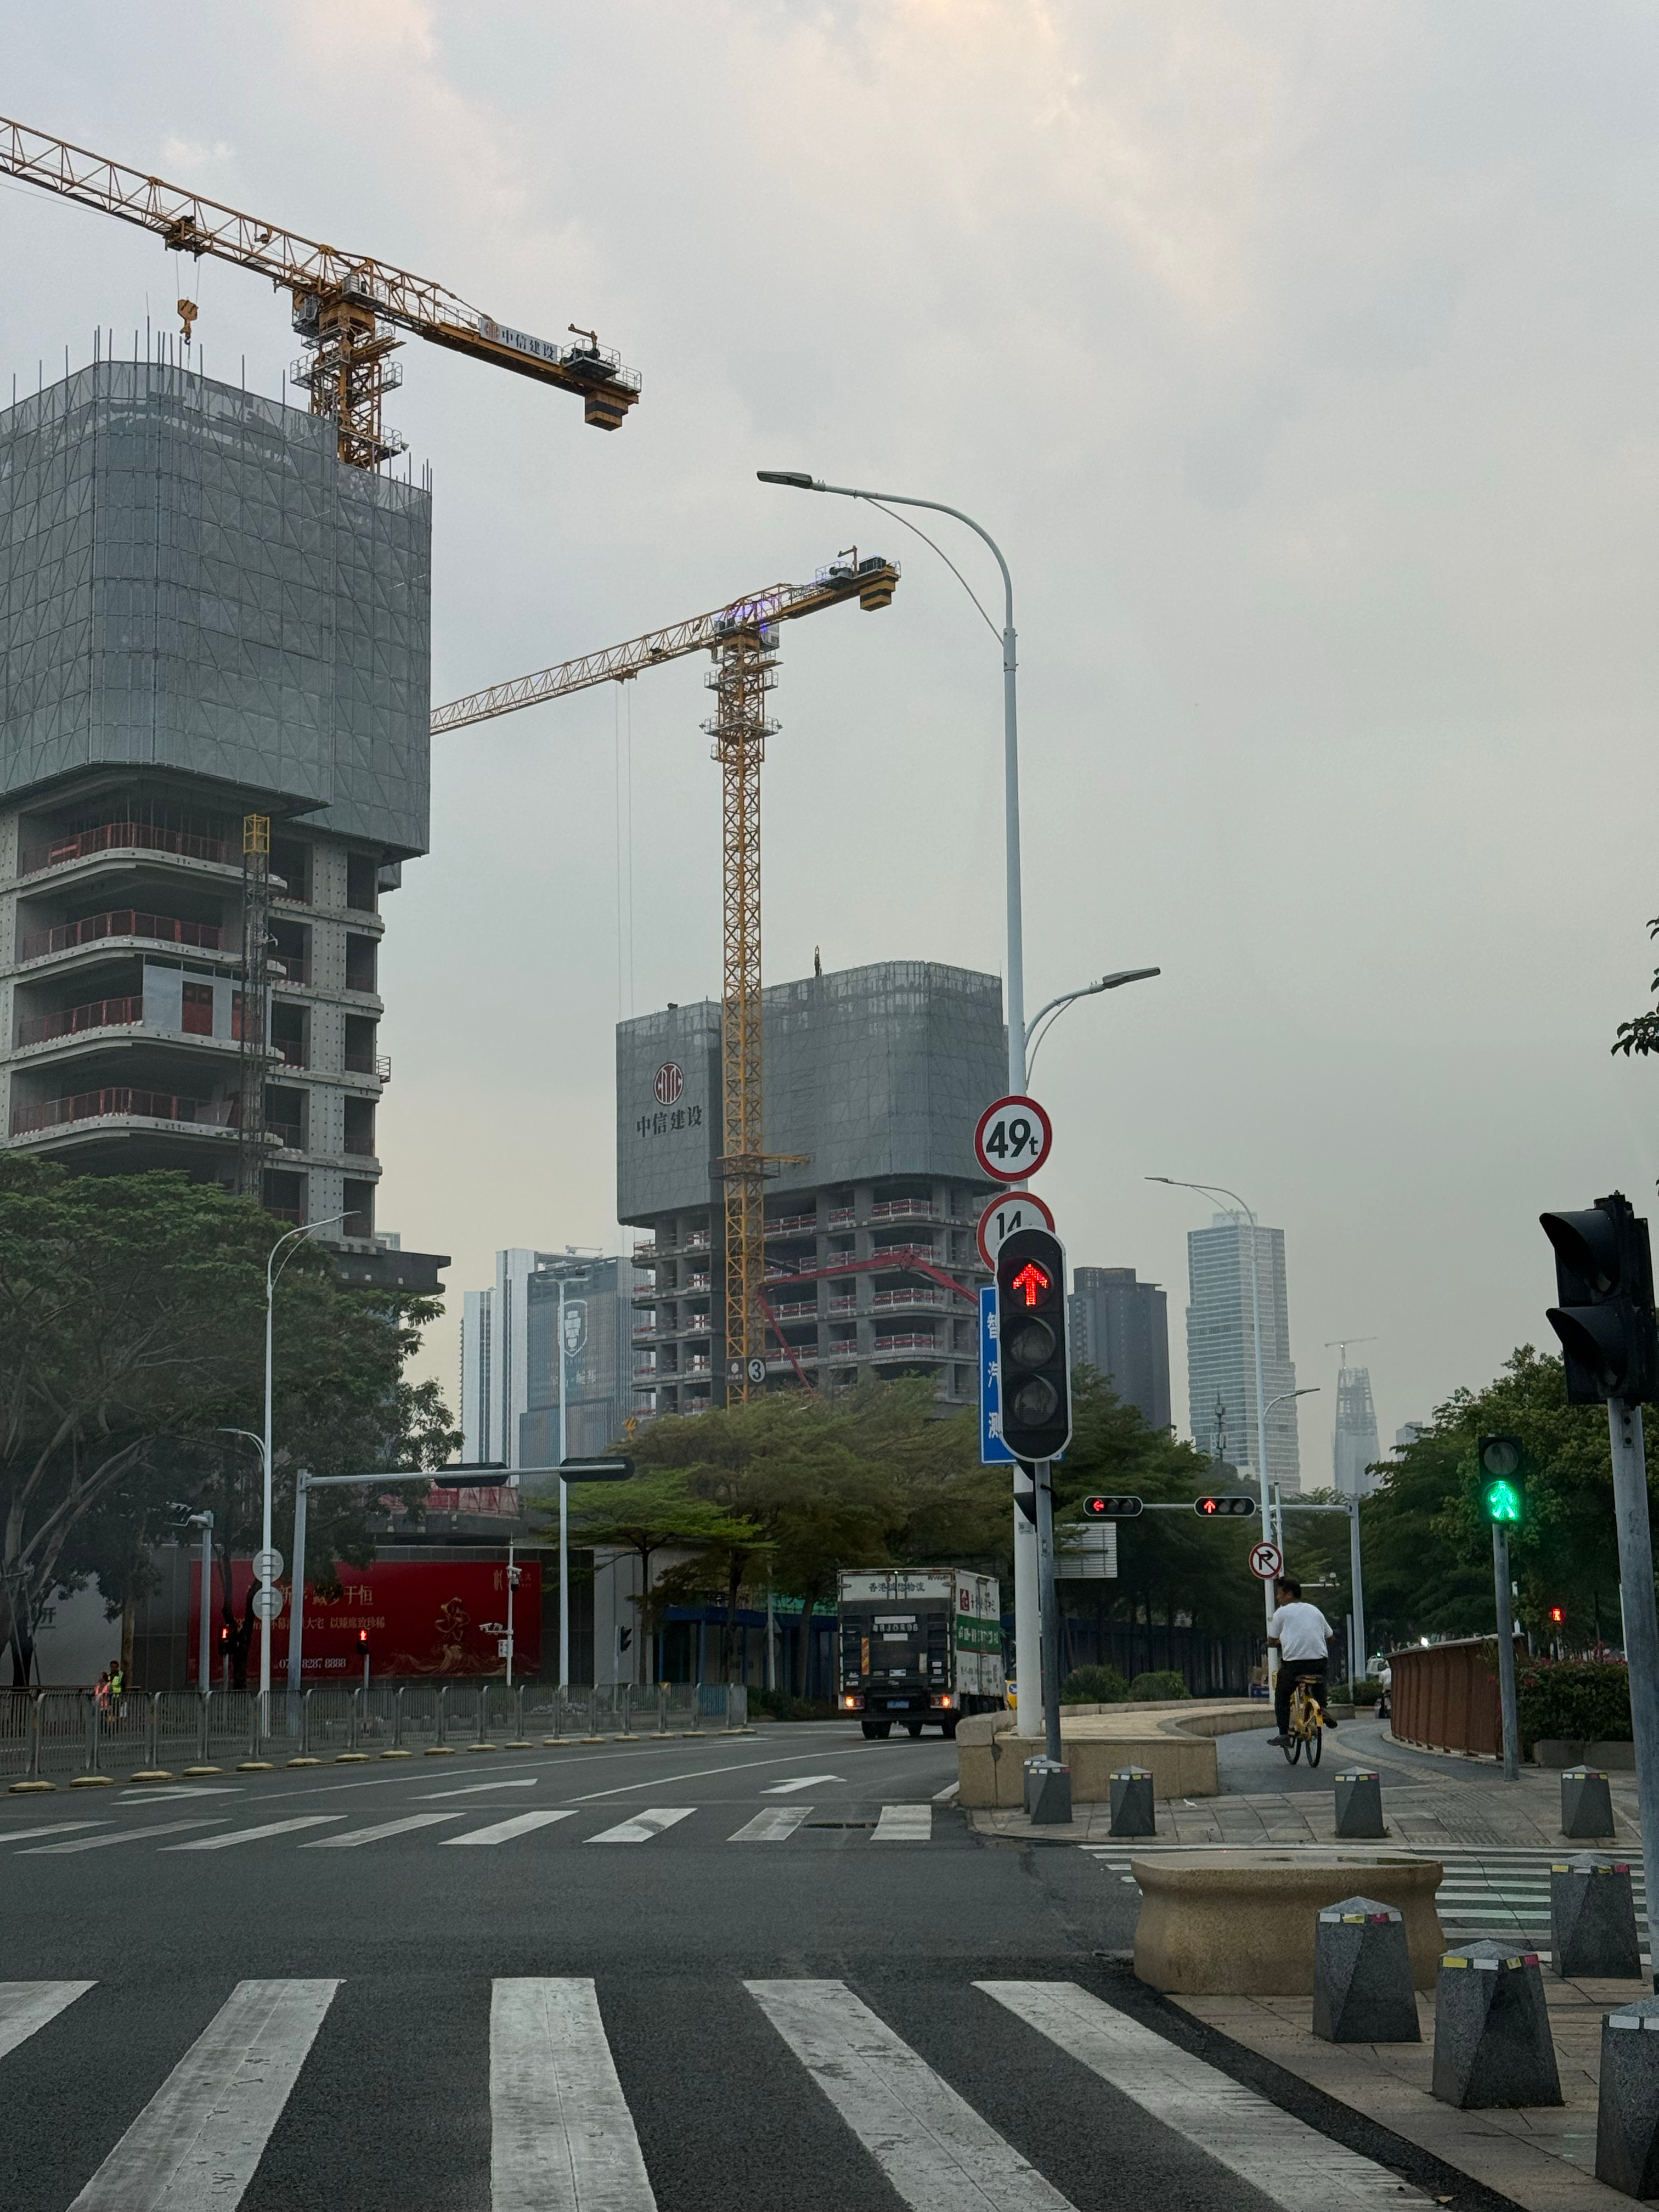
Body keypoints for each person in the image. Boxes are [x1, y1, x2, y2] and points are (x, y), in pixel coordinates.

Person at [1266, 1576, 1336, 1745]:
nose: (1277, 1597)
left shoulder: (1281, 1613)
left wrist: (1281, 1642)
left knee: (1282, 1695)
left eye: (1279, 1593)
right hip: (1319, 1661)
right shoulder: (1315, 1610)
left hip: (1294, 1665)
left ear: (1289, 1594)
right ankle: (1322, 1708)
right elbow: (1331, 1637)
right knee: (1319, 1680)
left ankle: (1283, 1734)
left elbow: (1271, 1639)